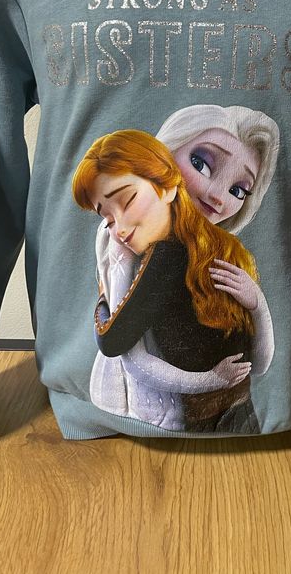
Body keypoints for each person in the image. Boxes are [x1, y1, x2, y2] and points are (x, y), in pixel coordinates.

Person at [72, 127, 270, 432]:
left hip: (202, 423)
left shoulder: (167, 255)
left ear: (167, 187)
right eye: (107, 219)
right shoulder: (222, 246)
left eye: (127, 201)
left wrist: (104, 293)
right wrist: (258, 305)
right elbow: (260, 365)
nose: (119, 229)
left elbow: (112, 342)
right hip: (243, 415)